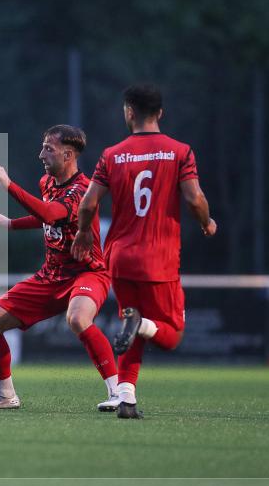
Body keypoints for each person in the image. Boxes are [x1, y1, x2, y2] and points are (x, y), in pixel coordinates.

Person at [72, 83, 216, 419]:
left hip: (120, 258)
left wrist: (82, 234)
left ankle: (127, 400)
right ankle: (140, 326)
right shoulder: (180, 151)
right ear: (160, 113)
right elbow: (195, 199)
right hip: (159, 259)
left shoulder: (112, 154)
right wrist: (207, 223)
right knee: (171, 335)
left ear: (129, 112)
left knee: (132, 325)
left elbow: (88, 203)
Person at [0, 125, 119, 411]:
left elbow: (51, 212)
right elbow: (49, 217)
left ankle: (118, 391)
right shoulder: (47, 183)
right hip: (50, 276)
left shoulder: (83, 190)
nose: (41, 154)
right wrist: (11, 224)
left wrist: (8, 185)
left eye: (48, 149)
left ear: (69, 154)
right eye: (42, 147)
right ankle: (5, 396)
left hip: (87, 273)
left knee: (77, 319)